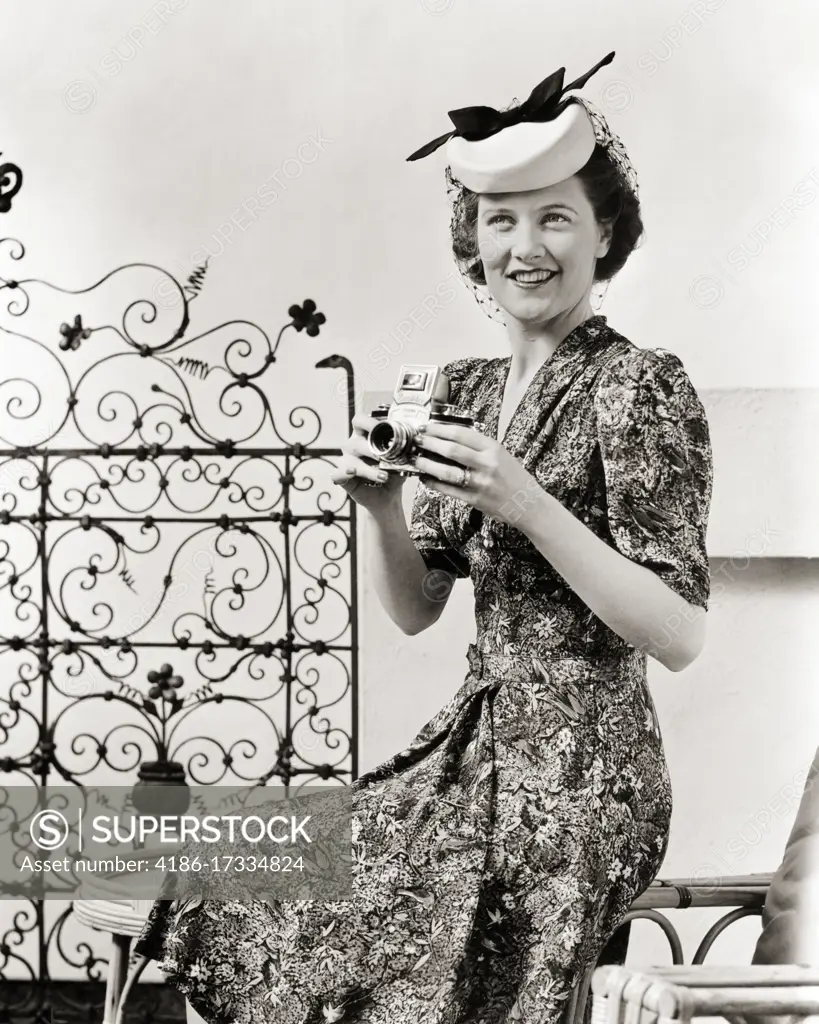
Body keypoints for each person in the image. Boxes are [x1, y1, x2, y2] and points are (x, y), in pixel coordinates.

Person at [135, 52, 713, 1024]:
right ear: (473, 243)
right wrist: (378, 508)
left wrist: (528, 502)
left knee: (411, 925)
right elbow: (416, 611)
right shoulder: (464, 391)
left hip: (585, 778)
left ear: (605, 231)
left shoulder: (639, 387)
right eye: (502, 219)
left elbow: (680, 632)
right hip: (464, 756)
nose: (526, 245)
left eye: (556, 215)